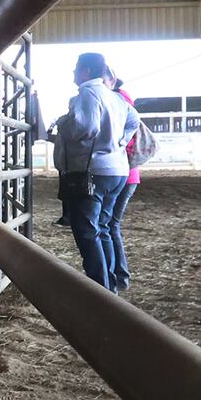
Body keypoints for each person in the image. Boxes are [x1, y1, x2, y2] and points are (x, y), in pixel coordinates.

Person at [57, 53, 139, 291]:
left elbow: (85, 126)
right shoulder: (115, 97)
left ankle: (99, 288)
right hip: (118, 171)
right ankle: (110, 284)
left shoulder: (88, 92)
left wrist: (64, 124)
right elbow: (134, 119)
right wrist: (121, 142)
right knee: (102, 227)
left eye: (76, 68)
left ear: (86, 71)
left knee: (87, 231)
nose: (73, 73)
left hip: (93, 171)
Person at [107, 72, 140, 290]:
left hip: (123, 174)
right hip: (129, 176)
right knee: (111, 224)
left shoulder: (119, 104)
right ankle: (119, 275)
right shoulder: (124, 102)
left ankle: (120, 275)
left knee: (111, 225)